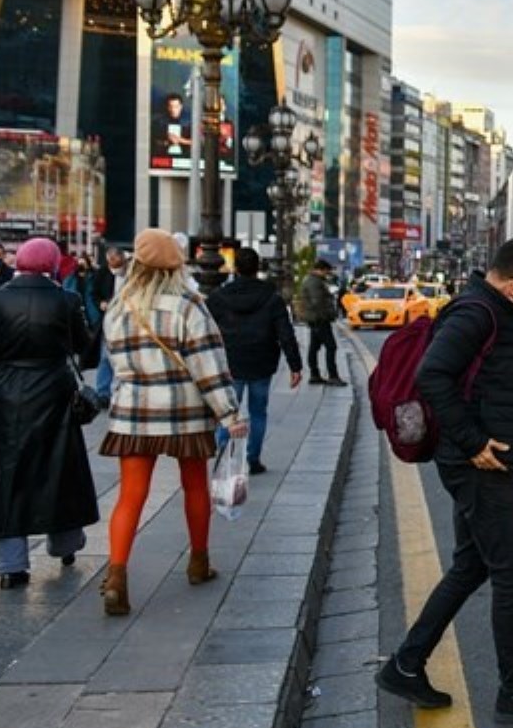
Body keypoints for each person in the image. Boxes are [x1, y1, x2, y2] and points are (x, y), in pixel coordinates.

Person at [376, 237, 513, 726]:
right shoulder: (476, 314)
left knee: (471, 565)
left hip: (480, 460)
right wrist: (472, 443)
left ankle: (406, 664)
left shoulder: (502, 313)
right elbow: (432, 374)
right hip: (476, 463)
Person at [97, 229, 247, 616]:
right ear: (175, 266)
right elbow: (208, 366)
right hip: (184, 411)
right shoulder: (188, 305)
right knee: (194, 484)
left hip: (133, 413)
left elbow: (114, 363)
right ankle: (198, 562)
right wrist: (229, 414)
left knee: (131, 495)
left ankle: (116, 575)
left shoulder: (119, 306)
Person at [0, 238, 98, 589]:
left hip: (5, 393)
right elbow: (85, 350)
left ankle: (12, 567)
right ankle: (64, 543)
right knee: (59, 470)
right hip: (54, 392)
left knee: (6, 477)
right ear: (51, 264)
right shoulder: (67, 301)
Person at [206, 248, 304, 475]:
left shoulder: (219, 297)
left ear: (236, 268)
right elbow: (285, 332)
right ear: (257, 267)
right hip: (262, 362)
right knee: (258, 412)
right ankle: (253, 459)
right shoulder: (271, 297)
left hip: (230, 362)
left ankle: (223, 455)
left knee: (228, 411)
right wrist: (295, 366)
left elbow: (205, 329)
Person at [297, 258, 346, 386]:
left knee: (314, 347)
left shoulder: (313, 280)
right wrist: (329, 315)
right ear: (320, 270)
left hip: (315, 318)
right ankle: (332, 376)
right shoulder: (315, 282)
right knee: (331, 346)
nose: (327, 274)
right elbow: (317, 303)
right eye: (326, 271)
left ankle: (315, 375)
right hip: (319, 319)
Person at [90, 245, 128, 405]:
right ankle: (103, 392)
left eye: (114, 259)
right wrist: (101, 304)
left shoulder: (131, 273)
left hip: (126, 317)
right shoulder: (103, 273)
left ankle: (118, 390)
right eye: (109, 260)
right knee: (105, 356)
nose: (111, 263)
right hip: (108, 317)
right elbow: (94, 293)